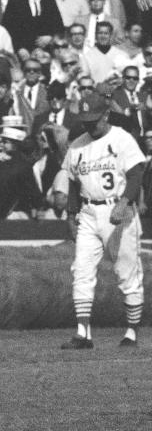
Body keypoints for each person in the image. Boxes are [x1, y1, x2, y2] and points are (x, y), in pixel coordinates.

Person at [54, 92, 145, 349]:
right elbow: (73, 182)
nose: (89, 125)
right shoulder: (78, 145)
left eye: (94, 119)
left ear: (105, 115)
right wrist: (71, 215)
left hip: (117, 209)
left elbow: (136, 173)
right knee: (81, 270)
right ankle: (83, 334)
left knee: (126, 271)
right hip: (89, 211)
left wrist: (126, 202)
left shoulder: (121, 138)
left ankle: (131, 333)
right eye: (85, 120)